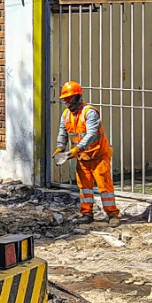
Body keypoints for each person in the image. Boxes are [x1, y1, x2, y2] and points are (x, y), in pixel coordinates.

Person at [57, 80, 119, 226]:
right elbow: (63, 132)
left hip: (98, 155)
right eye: (64, 99)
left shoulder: (89, 112)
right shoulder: (66, 115)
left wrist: (77, 148)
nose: (66, 102)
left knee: (104, 186)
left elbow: (91, 134)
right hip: (83, 157)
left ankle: (112, 214)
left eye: (69, 98)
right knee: (84, 187)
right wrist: (60, 147)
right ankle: (86, 213)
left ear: (77, 97)